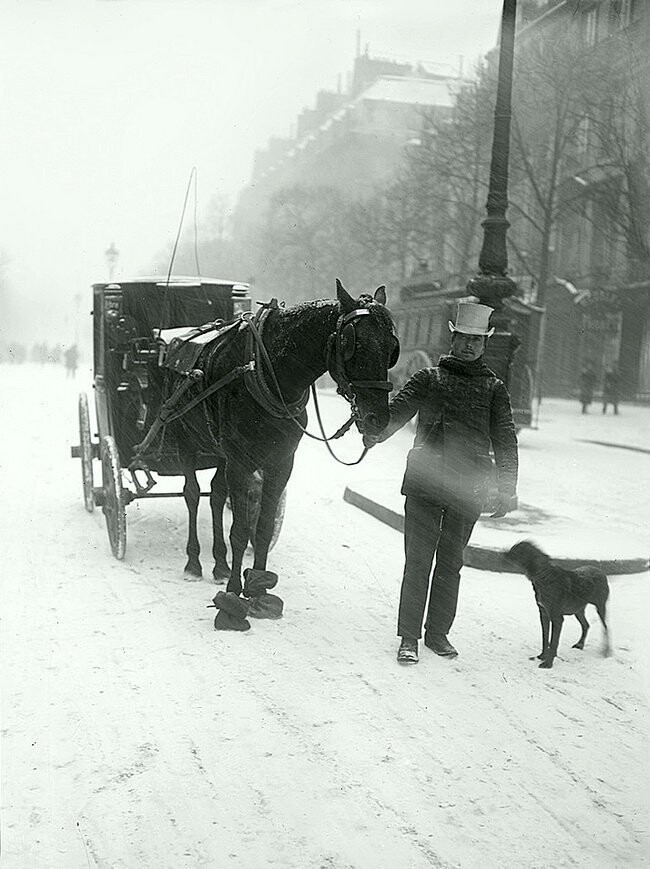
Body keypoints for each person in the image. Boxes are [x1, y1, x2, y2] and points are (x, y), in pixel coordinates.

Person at [364, 302, 519, 664]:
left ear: (484, 345)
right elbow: (396, 414)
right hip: (425, 484)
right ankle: (409, 637)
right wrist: (374, 432)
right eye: (463, 338)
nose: (469, 345)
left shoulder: (493, 388)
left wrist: (506, 487)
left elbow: (505, 439)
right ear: (453, 339)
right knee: (418, 563)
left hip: (467, 489)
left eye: (476, 340)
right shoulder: (428, 379)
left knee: (451, 564)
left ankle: (438, 634)